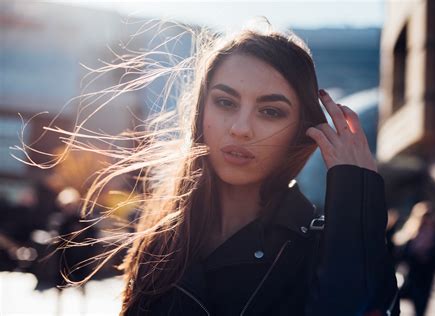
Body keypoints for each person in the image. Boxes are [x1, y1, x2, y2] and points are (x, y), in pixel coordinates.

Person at [26, 22, 400, 315]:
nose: (240, 127)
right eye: (225, 102)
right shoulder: (162, 235)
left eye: (270, 111)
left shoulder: (323, 251)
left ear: (301, 132)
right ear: (201, 112)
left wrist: (356, 206)